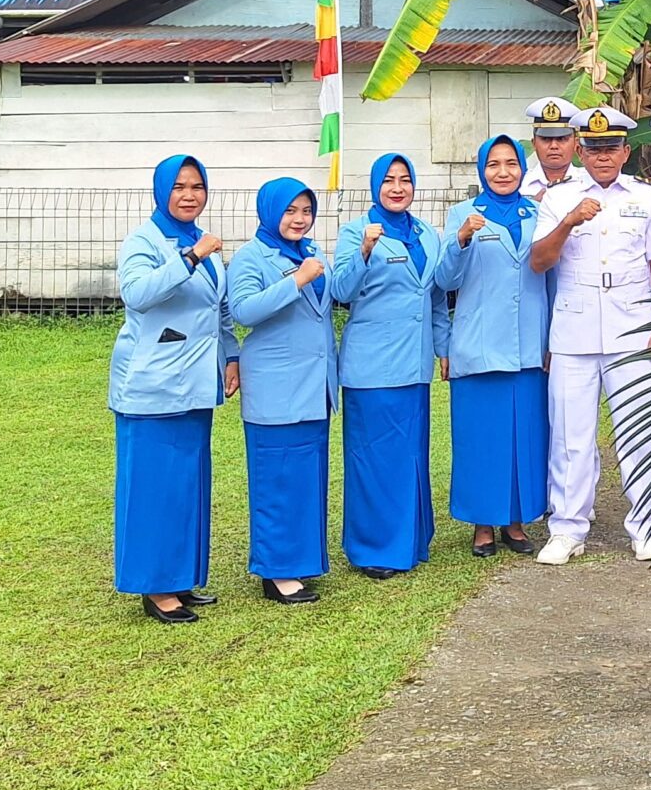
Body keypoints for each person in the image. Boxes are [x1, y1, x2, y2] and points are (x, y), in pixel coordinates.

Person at [528, 107, 651, 564]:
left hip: (632, 324)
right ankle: (568, 527)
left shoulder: (646, 198)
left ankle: (647, 524)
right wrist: (569, 221)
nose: (602, 156)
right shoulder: (557, 198)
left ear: (626, 151)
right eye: (593, 148)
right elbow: (538, 262)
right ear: (581, 152)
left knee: (637, 429)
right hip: (575, 327)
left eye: (611, 147)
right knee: (571, 434)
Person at [110, 154, 238, 623]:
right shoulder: (144, 240)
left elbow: (219, 308)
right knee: (153, 488)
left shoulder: (200, 240)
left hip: (196, 382)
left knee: (187, 485)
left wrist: (233, 355)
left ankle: (181, 577)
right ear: (161, 190)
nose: (189, 195)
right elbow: (137, 294)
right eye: (180, 186)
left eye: (197, 186)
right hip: (153, 385)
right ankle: (155, 586)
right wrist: (190, 258)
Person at [327, 153, 444, 579]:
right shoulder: (355, 231)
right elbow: (340, 289)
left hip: (414, 365)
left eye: (405, 180)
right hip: (372, 367)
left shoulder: (428, 234)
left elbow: (433, 298)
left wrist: (443, 347)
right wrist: (364, 251)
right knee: (372, 458)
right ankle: (372, 548)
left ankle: (409, 540)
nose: (397, 188)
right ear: (375, 186)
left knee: (410, 454)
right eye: (389, 180)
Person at [433, 135, 550, 558]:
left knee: (524, 437)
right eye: (493, 165)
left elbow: (552, 278)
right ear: (481, 170)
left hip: (528, 346)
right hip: (480, 345)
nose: (503, 172)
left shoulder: (538, 212)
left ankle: (516, 522)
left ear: (522, 167)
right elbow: (445, 280)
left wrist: (551, 338)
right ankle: (484, 524)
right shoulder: (463, 214)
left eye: (511, 164)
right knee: (482, 439)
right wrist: (461, 239)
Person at [226, 177, 336, 605]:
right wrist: (295, 281)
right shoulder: (251, 257)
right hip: (276, 387)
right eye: (290, 211)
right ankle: (276, 571)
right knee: (277, 480)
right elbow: (243, 310)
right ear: (270, 211)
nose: (299, 219)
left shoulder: (312, 251)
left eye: (306, 211)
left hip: (314, 386)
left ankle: (302, 560)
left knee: (307, 480)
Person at [521, 97, 581, 198]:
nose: (554, 146)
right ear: (534, 143)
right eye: (546, 139)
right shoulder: (518, 184)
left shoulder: (591, 183)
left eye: (561, 139)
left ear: (576, 143)